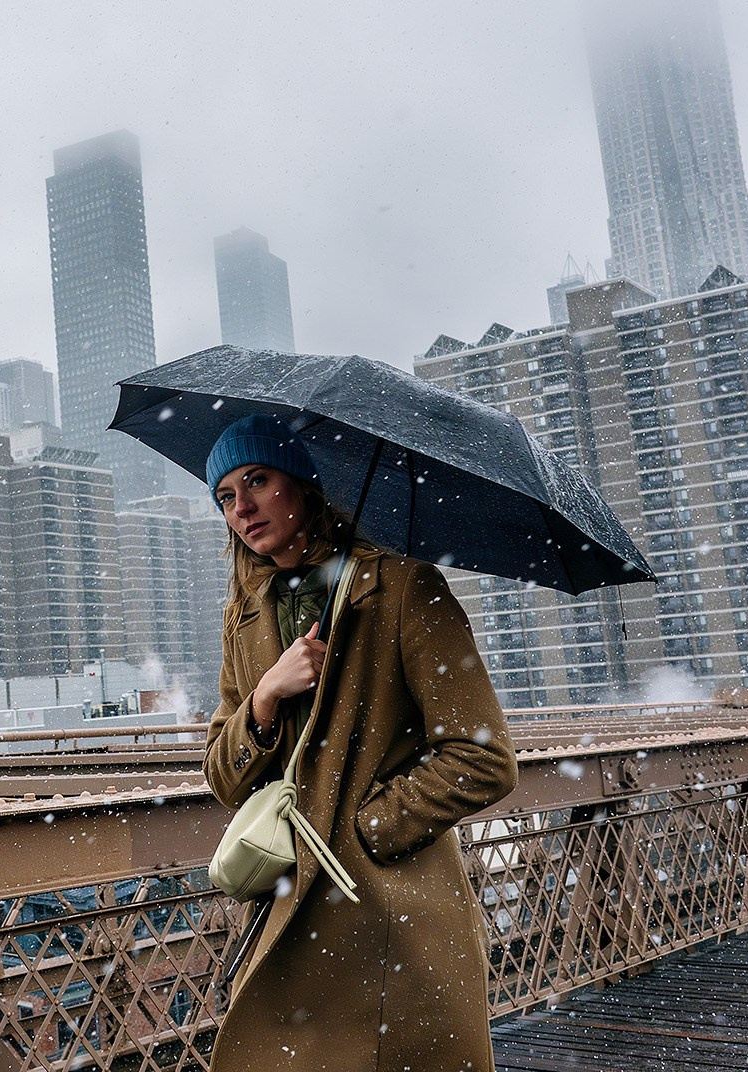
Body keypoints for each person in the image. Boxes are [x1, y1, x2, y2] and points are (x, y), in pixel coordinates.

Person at [201, 413, 519, 1072]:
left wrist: (367, 827)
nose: (242, 509)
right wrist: (265, 698)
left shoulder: (402, 587)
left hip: (391, 919)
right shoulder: (245, 616)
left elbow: (483, 756)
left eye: (257, 480)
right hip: (290, 916)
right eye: (225, 496)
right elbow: (223, 777)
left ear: (302, 484)